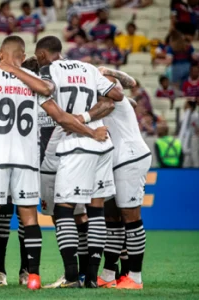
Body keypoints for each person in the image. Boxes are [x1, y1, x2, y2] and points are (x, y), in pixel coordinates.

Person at [0, 35, 110, 290]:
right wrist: (91, 132)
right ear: (24, 55)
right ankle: (33, 277)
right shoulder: (35, 80)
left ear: (1, 54)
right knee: (29, 218)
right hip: (27, 159)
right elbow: (58, 113)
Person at [33, 35, 124, 288]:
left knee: (63, 210)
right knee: (96, 210)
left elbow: (61, 118)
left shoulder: (48, 71)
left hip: (75, 144)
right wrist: (87, 118)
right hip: (103, 145)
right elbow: (115, 95)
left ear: (41, 55)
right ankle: (92, 278)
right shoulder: (89, 68)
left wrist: (82, 125)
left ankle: (72, 276)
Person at [87, 67, 151, 290]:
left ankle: (135, 276)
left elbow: (127, 86)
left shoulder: (112, 97)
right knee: (112, 218)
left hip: (129, 157)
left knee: (130, 217)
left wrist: (106, 71)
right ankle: (108, 274)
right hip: (115, 160)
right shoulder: (99, 97)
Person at [178, 100, 199, 167]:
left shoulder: (196, 115)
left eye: (186, 105)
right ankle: (185, 166)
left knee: (194, 153)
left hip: (193, 137)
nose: (184, 106)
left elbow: (197, 127)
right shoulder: (183, 115)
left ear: (191, 107)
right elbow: (181, 126)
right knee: (184, 152)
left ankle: (196, 167)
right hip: (184, 136)